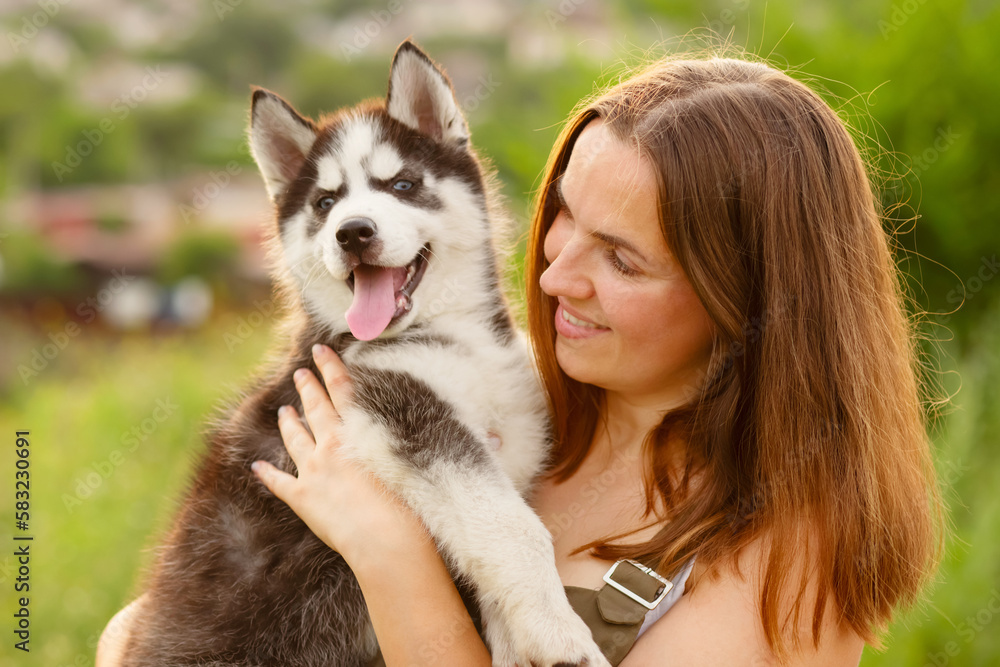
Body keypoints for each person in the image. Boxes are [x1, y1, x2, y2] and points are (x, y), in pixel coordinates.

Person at [97, 52, 941, 666]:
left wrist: (389, 550)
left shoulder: (781, 552)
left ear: (748, 298)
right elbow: (150, 627)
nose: (553, 273)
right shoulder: (530, 408)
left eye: (623, 259)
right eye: (564, 217)